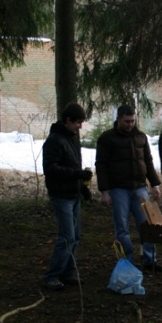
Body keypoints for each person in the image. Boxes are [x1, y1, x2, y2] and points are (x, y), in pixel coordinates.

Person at [96, 105, 162, 271]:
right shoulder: (107, 138)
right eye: (126, 121)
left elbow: (147, 160)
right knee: (122, 228)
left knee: (148, 226)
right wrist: (104, 191)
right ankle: (126, 262)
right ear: (118, 119)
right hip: (118, 189)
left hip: (140, 187)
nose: (130, 124)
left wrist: (155, 184)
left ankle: (150, 260)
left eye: (132, 121)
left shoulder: (140, 137)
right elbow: (101, 165)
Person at [41, 103, 93, 291]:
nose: (80, 126)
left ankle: (68, 272)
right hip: (60, 195)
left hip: (73, 194)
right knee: (66, 237)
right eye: (78, 122)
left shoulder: (71, 139)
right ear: (68, 120)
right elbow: (50, 169)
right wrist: (76, 175)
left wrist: (82, 188)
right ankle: (51, 276)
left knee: (75, 236)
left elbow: (73, 165)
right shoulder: (55, 140)